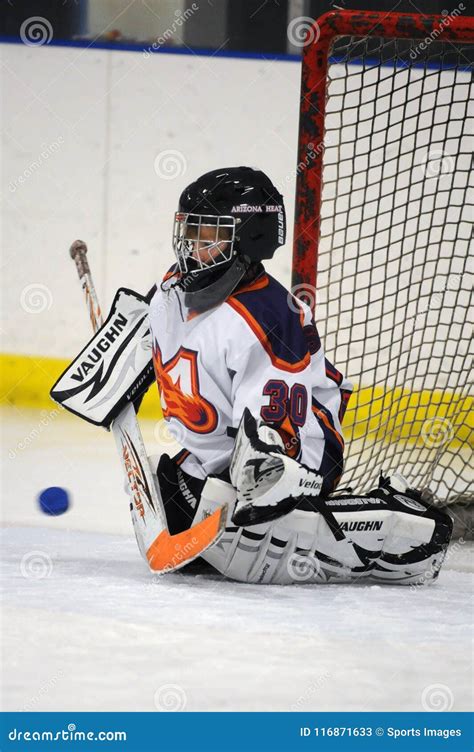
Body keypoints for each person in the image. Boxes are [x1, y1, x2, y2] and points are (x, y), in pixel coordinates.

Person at [148, 166, 452, 585]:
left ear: (247, 239)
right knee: (173, 499)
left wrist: (256, 481)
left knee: (260, 519)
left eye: (208, 237)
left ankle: (394, 525)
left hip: (296, 450)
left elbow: (276, 436)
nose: (191, 249)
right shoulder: (172, 288)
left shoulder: (267, 316)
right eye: (191, 234)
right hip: (221, 452)